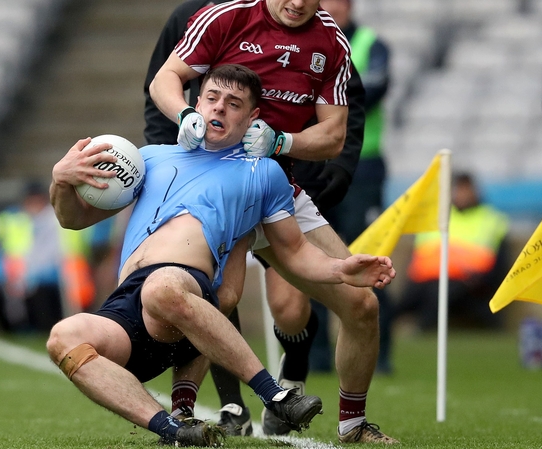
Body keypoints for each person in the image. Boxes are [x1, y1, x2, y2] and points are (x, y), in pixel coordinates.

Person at [47, 64, 395, 447]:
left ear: (252, 118)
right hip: (130, 304)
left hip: (186, 292)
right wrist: (61, 180)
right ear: (197, 103)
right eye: (212, 99)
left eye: (233, 104)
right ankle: (175, 429)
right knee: (63, 337)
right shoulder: (149, 158)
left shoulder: (263, 173)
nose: (219, 109)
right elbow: (73, 218)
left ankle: (275, 395)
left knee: (162, 287)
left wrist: (341, 269)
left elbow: (295, 252)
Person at [150, 1, 398, 444]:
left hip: (275, 185)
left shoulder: (332, 41)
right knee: (213, 297)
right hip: (211, 184)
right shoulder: (225, 17)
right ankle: (184, 414)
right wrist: (183, 115)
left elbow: (334, 136)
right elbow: (165, 79)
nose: (297, 3)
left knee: (361, 305)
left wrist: (283, 141)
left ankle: (353, 426)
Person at [311, 0, 393, 374]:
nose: (332, 9)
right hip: (316, 162)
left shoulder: (371, 43)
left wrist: (326, 93)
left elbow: (374, 88)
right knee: (312, 257)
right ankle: (317, 357)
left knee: (370, 256)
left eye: (338, 3)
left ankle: (381, 353)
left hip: (363, 164)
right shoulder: (309, 41)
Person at [395, 172, 510, 331]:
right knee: (407, 299)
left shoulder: (492, 219)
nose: (462, 195)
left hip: (469, 282)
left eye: (466, 190)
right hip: (428, 277)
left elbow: (499, 264)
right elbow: (420, 252)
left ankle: (422, 327)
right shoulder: (437, 217)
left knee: (440, 293)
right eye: (459, 189)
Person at [0, 182, 99, 333]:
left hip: (60, 275)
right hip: (23, 275)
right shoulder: (13, 220)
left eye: (37, 200)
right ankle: (20, 328)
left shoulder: (57, 218)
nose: (34, 205)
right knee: (0, 295)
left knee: (47, 296)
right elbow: (2, 253)